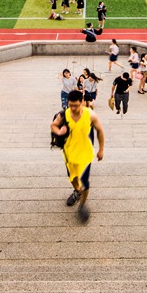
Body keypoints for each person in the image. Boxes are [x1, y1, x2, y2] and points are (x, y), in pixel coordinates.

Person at [51, 90, 105, 222]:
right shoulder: (63, 114)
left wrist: (101, 150)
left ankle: (82, 205)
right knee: (73, 179)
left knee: (85, 183)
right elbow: (53, 125)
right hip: (69, 154)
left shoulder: (90, 115)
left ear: (82, 102)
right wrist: (59, 131)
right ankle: (77, 191)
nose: (73, 108)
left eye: (75, 105)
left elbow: (100, 131)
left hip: (85, 155)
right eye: (70, 105)